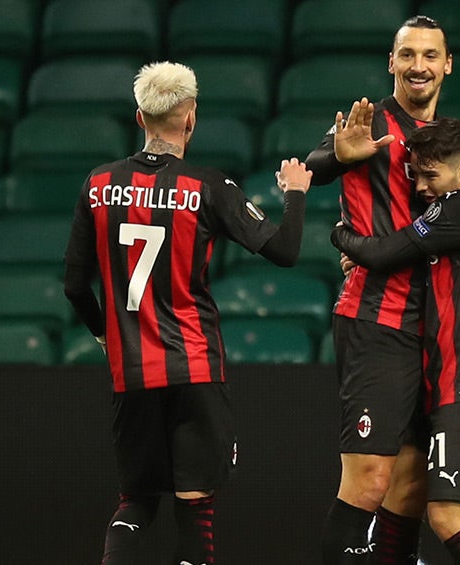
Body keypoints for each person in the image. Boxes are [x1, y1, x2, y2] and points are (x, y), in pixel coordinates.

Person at [305, 15, 460, 565]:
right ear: (392, 63)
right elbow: (310, 169)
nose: (418, 66)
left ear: (447, 64)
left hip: (438, 336)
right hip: (377, 318)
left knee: (409, 490)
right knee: (369, 482)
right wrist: (340, 156)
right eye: (407, 54)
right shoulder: (368, 124)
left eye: (429, 55)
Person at [63, 61, 312, 565]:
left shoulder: (98, 183)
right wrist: (296, 196)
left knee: (135, 504)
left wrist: (105, 335)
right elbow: (284, 251)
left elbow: (74, 286)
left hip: (131, 375)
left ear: (140, 117)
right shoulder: (207, 186)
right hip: (195, 370)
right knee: (195, 509)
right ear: (191, 118)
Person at [330, 117, 460, 564]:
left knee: (448, 517)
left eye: (430, 175)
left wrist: (341, 234)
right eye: (414, 175)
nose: (420, 188)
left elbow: (383, 253)